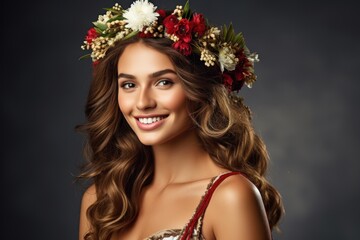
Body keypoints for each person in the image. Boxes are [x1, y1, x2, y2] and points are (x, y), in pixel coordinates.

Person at [77, 1, 283, 239]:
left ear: (199, 91)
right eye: (129, 85)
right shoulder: (101, 201)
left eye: (164, 82)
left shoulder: (231, 196)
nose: (143, 102)